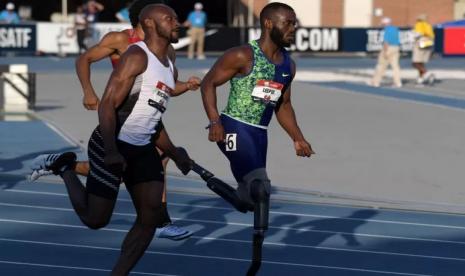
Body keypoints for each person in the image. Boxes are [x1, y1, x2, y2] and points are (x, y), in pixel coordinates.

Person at [31, 4, 193, 275]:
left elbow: (153, 118)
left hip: (142, 147)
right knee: (96, 219)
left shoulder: (169, 62)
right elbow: (108, 103)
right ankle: (65, 168)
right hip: (113, 142)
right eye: (170, 18)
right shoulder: (134, 54)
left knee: (150, 215)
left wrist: (174, 153)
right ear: (149, 24)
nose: (178, 22)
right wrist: (110, 149)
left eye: (176, 17)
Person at [200, 2, 314, 274]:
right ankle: (255, 263)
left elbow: (283, 105)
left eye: (294, 23)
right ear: (268, 24)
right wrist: (215, 120)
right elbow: (208, 83)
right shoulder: (241, 55)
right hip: (232, 127)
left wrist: (297, 138)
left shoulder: (288, 64)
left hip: (259, 134)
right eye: (288, 22)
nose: (293, 28)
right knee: (261, 189)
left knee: (251, 197)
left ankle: (237, 196)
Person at [371, 17, 402, 88]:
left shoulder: (387, 30)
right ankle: (398, 82)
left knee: (381, 65)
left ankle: (376, 82)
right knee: (395, 66)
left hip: (388, 48)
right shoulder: (395, 29)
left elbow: (386, 42)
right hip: (396, 47)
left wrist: (385, 51)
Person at [412, 14, 435, 85]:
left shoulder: (419, 24)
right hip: (428, 44)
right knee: (421, 62)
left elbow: (417, 34)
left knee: (415, 63)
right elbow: (432, 35)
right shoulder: (428, 25)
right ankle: (421, 78)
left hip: (420, 43)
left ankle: (427, 73)